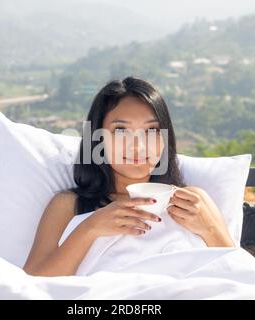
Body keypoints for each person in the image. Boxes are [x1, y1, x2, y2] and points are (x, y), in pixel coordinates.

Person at [23, 77, 234, 277]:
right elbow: (30, 285)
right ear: (98, 139)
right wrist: (90, 228)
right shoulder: (69, 205)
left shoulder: (193, 201)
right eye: (121, 130)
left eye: (151, 130)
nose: (138, 146)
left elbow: (239, 272)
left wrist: (210, 229)